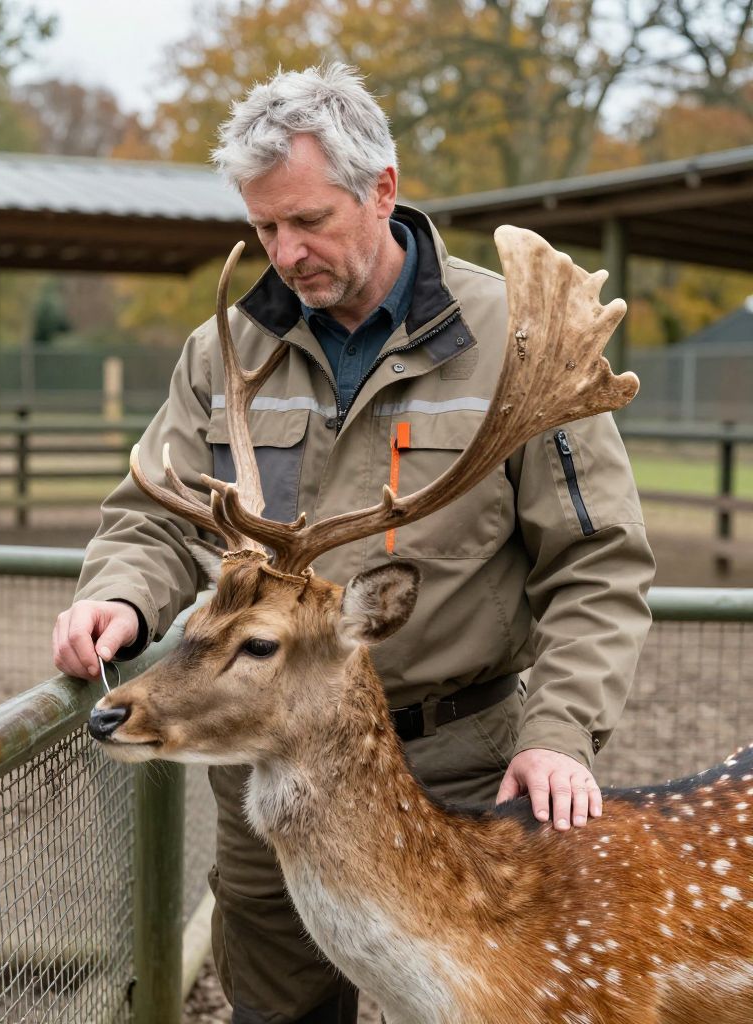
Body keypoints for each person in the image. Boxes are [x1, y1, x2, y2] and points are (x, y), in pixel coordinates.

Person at [53, 63, 655, 1024]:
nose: (285, 253)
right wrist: (121, 593)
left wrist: (560, 736)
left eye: (308, 221)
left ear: (382, 188)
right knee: (281, 1009)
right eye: (263, 229)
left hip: (461, 767)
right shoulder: (227, 353)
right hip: (275, 773)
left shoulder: (514, 341)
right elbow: (156, 513)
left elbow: (596, 563)